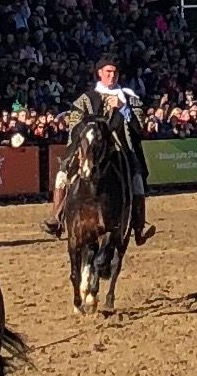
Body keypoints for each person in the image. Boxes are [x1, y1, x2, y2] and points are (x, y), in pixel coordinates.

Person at [42, 58, 156, 245]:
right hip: (89, 148)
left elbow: (139, 127)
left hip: (120, 148)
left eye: (115, 72)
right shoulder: (85, 99)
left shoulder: (129, 99)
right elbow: (74, 126)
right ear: (100, 73)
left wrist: (122, 108)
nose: (112, 76)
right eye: (108, 72)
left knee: (136, 177)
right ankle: (57, 216)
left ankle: (139, 224)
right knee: (62, 174)